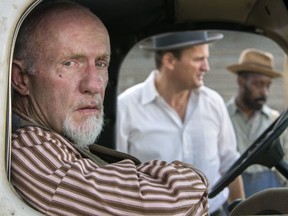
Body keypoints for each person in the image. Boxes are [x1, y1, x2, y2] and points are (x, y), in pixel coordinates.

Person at [10, 1, 210, 215]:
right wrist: (195, 180)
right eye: (69, 63)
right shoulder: (29, 150)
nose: (94, 85)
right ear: (21, 79)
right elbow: (177, 205)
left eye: (100, 64)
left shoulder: (56, 142)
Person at [116, 31, 245, 215]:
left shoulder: (213, 102)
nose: (206, 67)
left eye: (206, 58)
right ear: (169, 61)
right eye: (198, 59)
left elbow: (230, 163)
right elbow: (117, 177)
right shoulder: (126, 108)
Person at [226, 48, 287, 197]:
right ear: (241, 81)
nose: (264, 92)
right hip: (232, 198)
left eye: (267, 85)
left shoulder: (275, 121)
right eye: (258, 84)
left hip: (270, 197)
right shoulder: (223, 117)